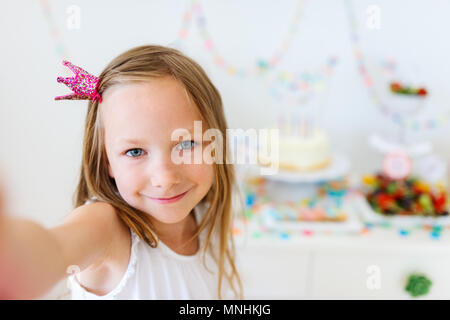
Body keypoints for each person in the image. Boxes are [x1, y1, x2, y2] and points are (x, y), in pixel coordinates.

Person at [0, 45, 244, 300]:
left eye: (186, 144)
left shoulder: (206, 222)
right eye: (135, 152)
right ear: (106, 162)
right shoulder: (107, 231)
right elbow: (54, 249)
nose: (165, 178)